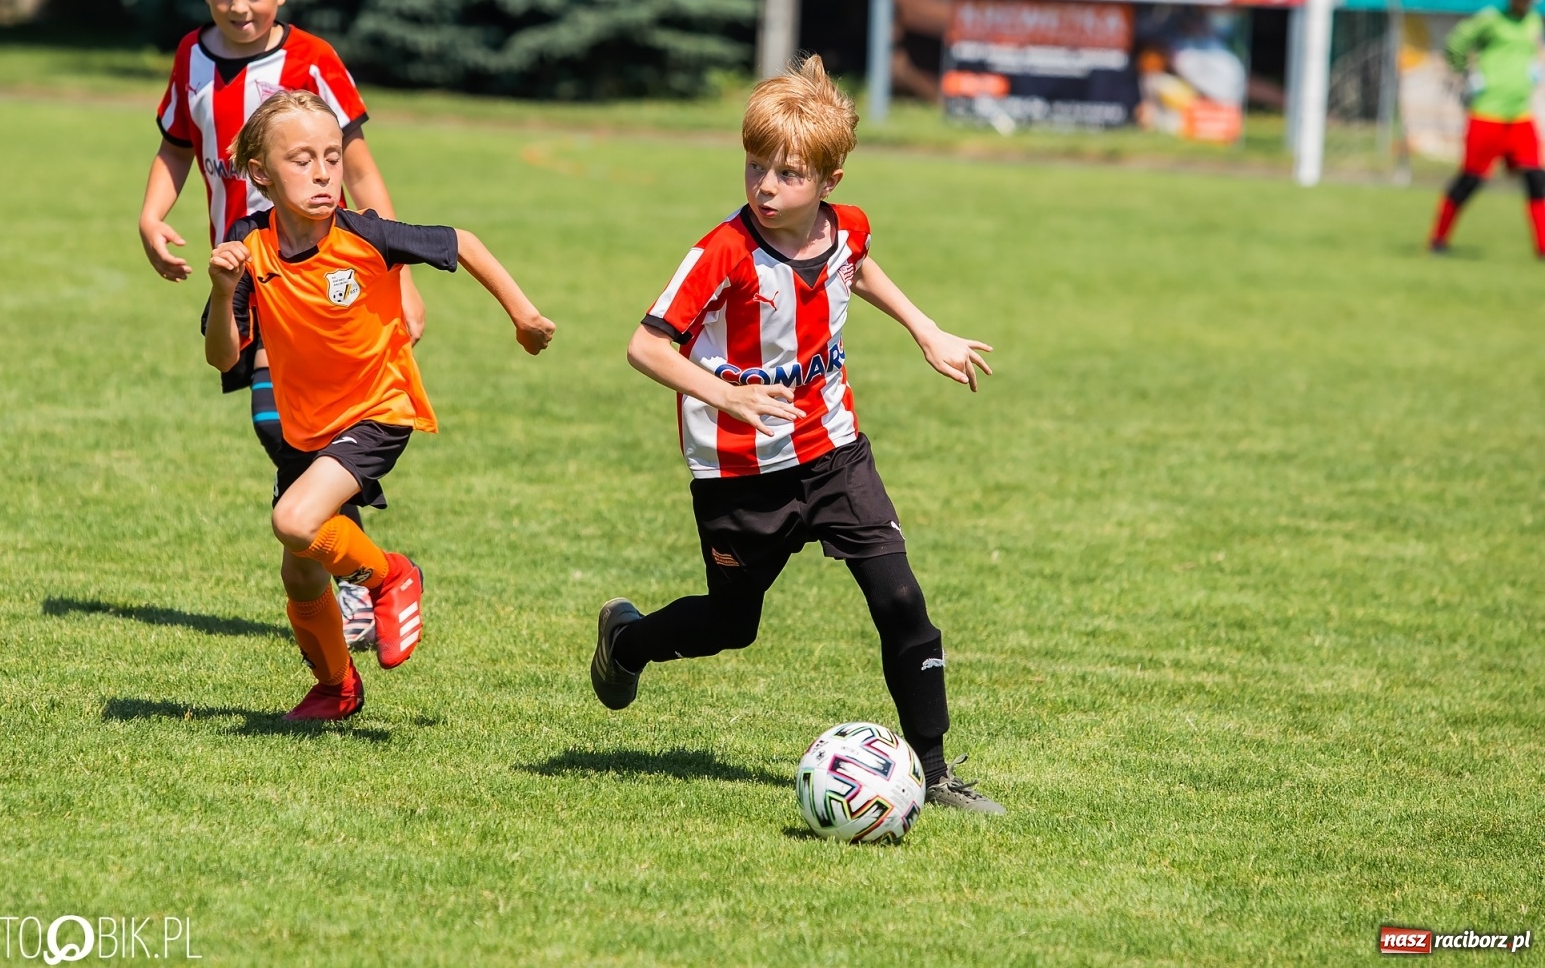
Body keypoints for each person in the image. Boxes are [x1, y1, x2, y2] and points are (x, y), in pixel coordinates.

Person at [591, 55, 1004, 813]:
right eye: (755, 167)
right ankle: (626, 641)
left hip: (833, 449)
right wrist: (728, 397)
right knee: (730, 624)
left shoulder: (845, 228)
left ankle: (936, 772)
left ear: (829, 181)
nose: (765, 187)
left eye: (785, 174)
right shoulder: (721, 252)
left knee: (901, 598)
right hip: (740, 473)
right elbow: (645, 346)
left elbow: (859, 265)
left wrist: (926, 330)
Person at [203, 90, 554, 720]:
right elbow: (222, 357)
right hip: (306, 427)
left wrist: (523, 316)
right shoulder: (246, 246)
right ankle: (337, 688)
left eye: (332, 158)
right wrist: (224, 287)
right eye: (301, 159)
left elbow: (461, 242)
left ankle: (390, 574)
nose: (322, 173)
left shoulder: (365, 234)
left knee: (294, 522)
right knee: (301, 575)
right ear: (259, 173)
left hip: (378, 408)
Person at [138, 0, 423, 643]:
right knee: (285, 429)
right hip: (245, 270)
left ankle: (358, 575)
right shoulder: (190, 59)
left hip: (316, 273)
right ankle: (333, 551)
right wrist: (150, 216)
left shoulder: (312, 63)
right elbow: (176, 146)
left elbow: (358, 168)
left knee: (286, 421)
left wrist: (402, 279)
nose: (239, 8)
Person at [1429, 0, 1545, 256]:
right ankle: (1438, 240)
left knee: (1537, 180)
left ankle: (1543, 247)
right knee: (1471, 179)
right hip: (1488, 113)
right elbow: (1455, 43)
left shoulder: (1534, 21)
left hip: (1519, 115)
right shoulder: (1491, 19)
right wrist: (1466, 74)